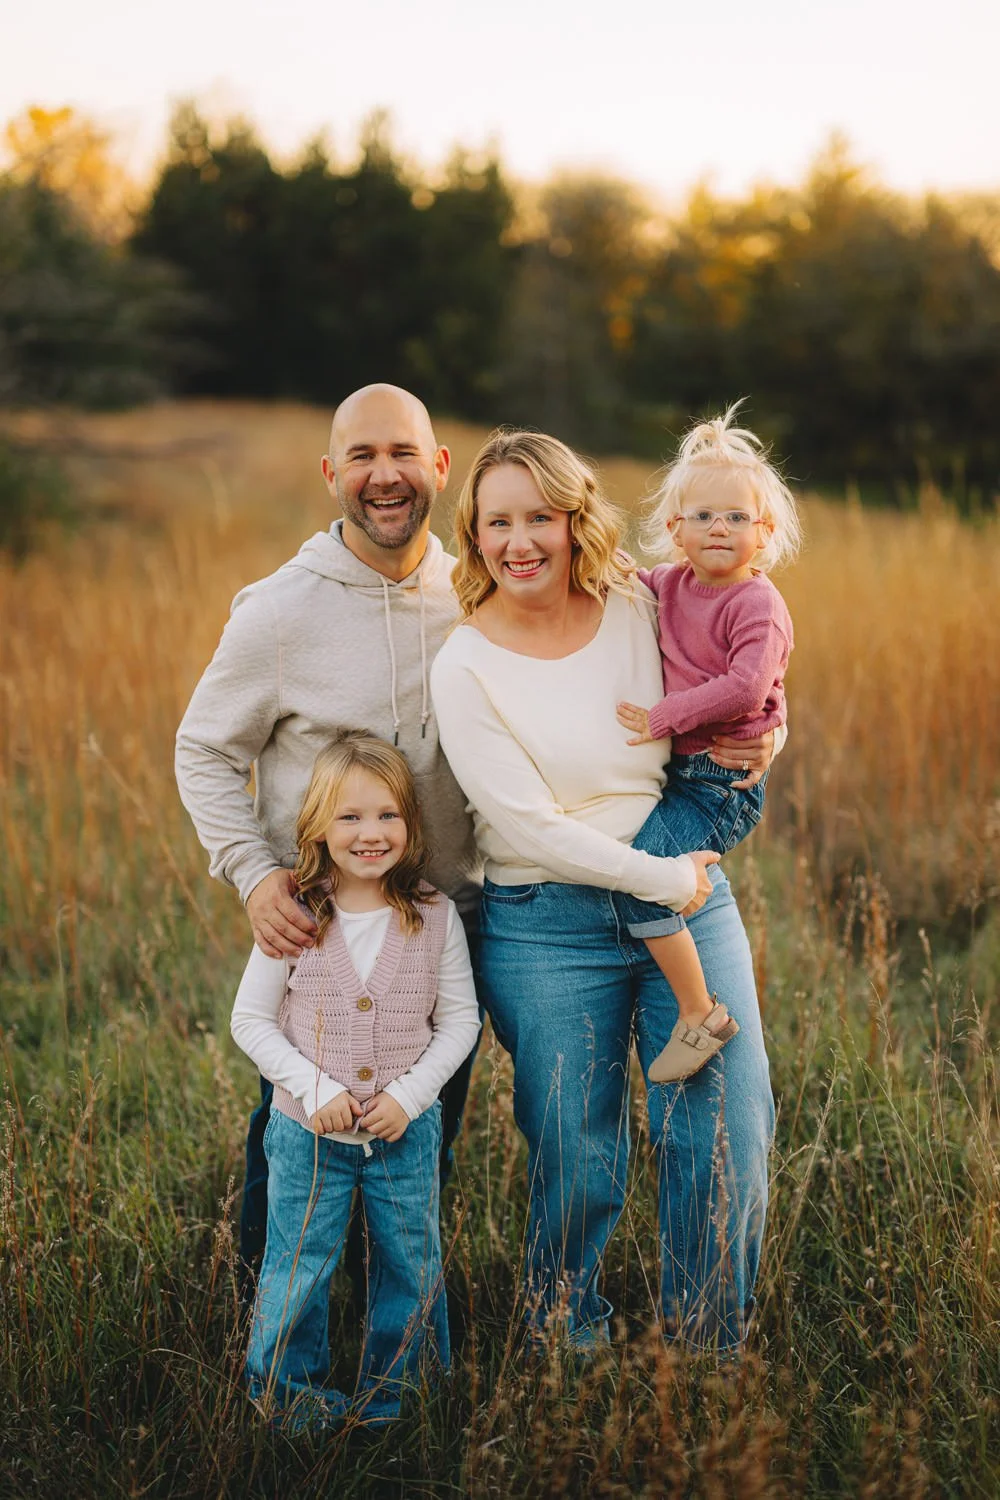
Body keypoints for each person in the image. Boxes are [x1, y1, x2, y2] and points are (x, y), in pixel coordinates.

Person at [429, 429, 782, 1353]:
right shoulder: (464, 665)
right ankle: (562, 1336)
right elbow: (528, 825)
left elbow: (738, 671)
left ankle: (707, 1353)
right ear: (472, 533)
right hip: (548, 925)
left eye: (541, 516)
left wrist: (770, 739)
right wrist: (658, 880)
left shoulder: (635, 601)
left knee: (724, 1135)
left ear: (574, 518)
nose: (521, 541)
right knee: (578, 1159)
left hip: (686, 900)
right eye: (498, 521)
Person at [175, 384, 481, 1284]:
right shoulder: (279, 611)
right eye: (361, 457)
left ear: (439, 467)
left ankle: (388, 1304)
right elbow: (202, 749)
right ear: (330, 474)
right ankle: (267, 1309)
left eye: (402, 455)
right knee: (299, 1134)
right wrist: (255, 874)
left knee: (420, 1128)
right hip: (321, 929)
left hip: (442, 923)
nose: (383, 476)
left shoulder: (472, 594)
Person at [232, 731, 480, 1429]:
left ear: (410, 823)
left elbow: (460, 1022)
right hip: (307, 1135)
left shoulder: (433, 917)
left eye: (386, 815)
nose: (370, 833)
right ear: (314, 827)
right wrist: (316, 1092)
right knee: (299, 1264)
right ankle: (290, 1399)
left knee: (410, 1262)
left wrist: (407, 1097)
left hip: (404, 1132)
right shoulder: (296, 914)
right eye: (349, 817)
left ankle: (402, 1398)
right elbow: (250, 1022)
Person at [613, 406, 800, 1084]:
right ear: (675, 531)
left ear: (765, 532)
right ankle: (689, 999)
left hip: (721, 780)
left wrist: (665, 715)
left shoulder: (757, 602)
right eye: (703, 516)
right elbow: (625, 588)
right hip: (684, 776)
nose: (720, 527)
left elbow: (748, 687)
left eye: (737, 517)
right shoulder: (670, 584)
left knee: (642, 878)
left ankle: (700, 1013)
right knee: (651, 880)